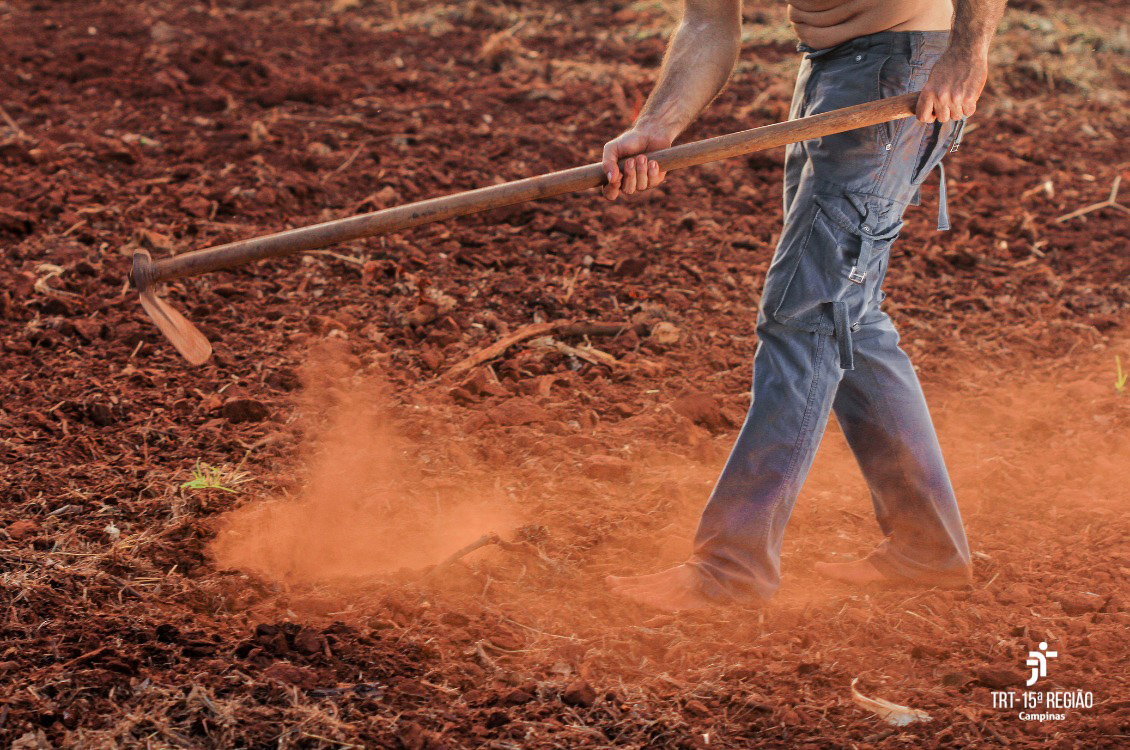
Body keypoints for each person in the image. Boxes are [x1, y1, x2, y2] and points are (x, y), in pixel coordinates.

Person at [602, 0, 1007, 610]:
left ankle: (730, 570)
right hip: (833, 70)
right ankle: (928, 548)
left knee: (807, 315)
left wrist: (967, 53)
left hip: (902, 70)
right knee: (848, 314)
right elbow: (710, 21)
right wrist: (658, 125)